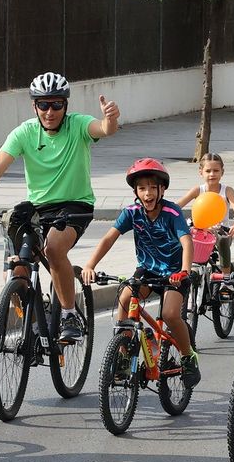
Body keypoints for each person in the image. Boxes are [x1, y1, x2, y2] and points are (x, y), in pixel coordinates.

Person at [0, 72, 121, 344]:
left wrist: (111, 118)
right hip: (39, 209)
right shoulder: (25, 132)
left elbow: (104, 130)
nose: (50, 111)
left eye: (56, 105)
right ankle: (35, 326)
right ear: (34, 106)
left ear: (66, 106)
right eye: (43, 105)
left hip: (75, 206)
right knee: (16, 271)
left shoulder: (78, 125)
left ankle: (69, 313)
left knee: (54, 248)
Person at [81, 158, 199, 386]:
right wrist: (90, 265)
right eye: (142, 188)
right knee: (125, 299)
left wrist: (185, 270)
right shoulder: (132, 212)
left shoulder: (172, 213)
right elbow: (109, 238)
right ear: (135, 191)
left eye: (152, 187)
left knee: (171, 314)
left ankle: (187, 357)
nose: (147, 193)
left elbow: (187, 242)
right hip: (147, 269)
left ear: (162, 189)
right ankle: (124, 355)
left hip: (174, 273)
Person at [176, 152, 234, 269]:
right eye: (208, 171)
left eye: (216, 171)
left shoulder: (227, 191)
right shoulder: (197, 190)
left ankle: (226, 275)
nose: (212, 174)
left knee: (223, 241)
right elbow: (176, 207)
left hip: (220, 231)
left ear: (222, 172)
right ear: (201, 172)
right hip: (199, 231)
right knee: (180, 241)